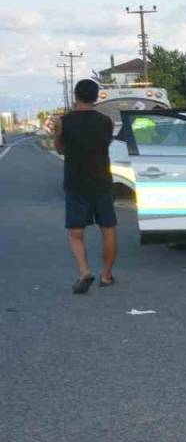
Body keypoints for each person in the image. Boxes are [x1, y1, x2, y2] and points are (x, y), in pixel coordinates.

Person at [54, 79, 118, 294]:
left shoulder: (64, 122)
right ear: (96, 96)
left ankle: (84, 271)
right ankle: (106, 276)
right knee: (108, 229)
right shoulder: (106, 121)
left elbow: (61, 149)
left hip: (76, 182)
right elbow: (104, 145)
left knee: (76, 233)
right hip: (102, 181)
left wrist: (57, 134)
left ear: (76, 96)